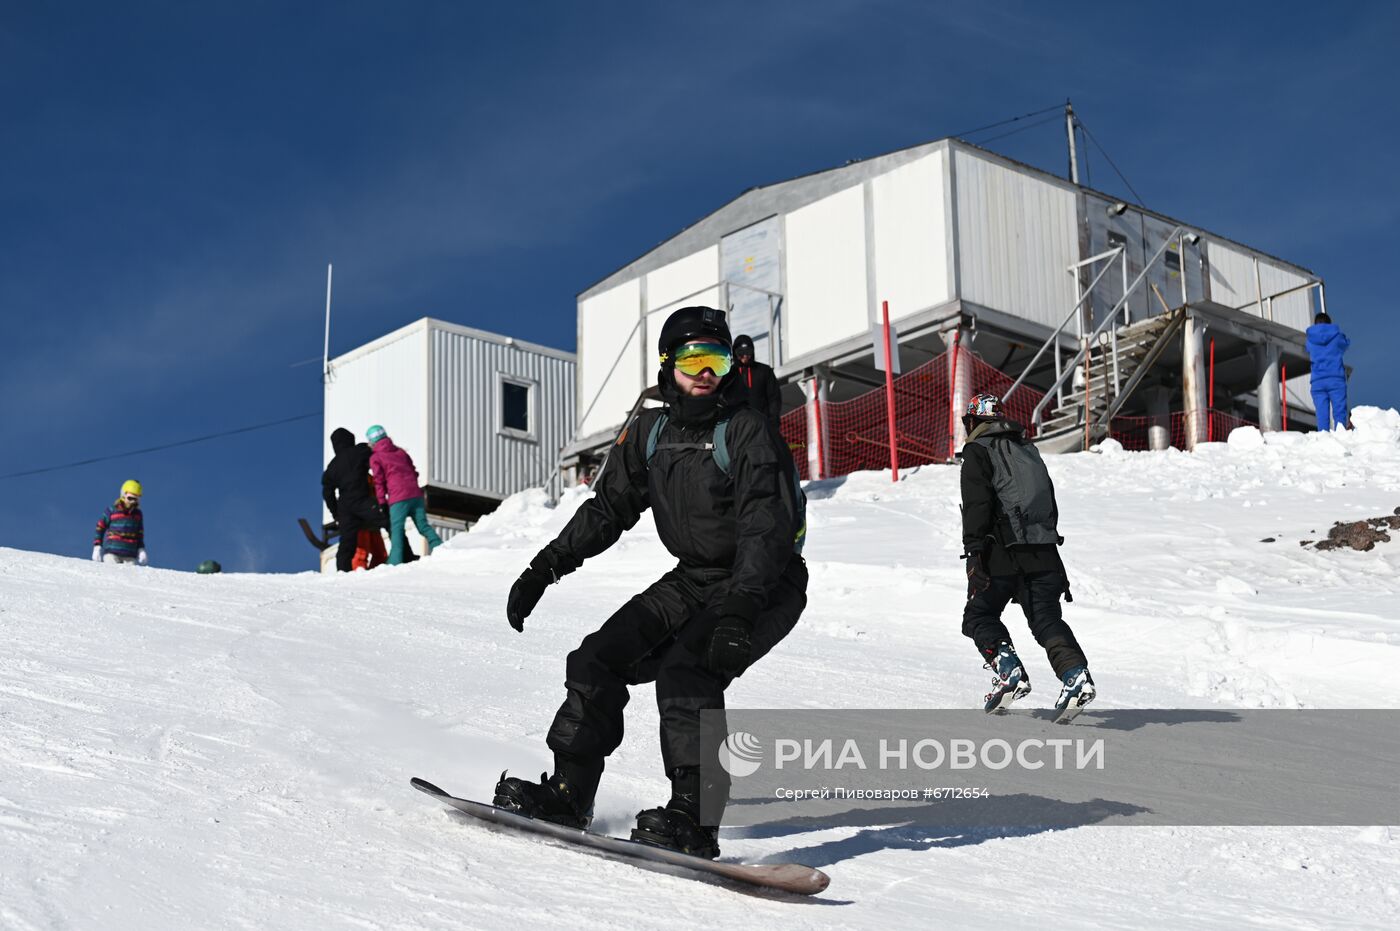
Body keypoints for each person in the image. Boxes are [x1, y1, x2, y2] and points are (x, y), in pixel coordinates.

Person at [494, 306, 808, 859]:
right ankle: (570, 793)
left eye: (714, 358)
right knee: (596, 658)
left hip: (765, 581)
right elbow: (608, 509)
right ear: (669, 364)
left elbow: (767, 524)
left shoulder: (746, 429)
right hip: (693, 579)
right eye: (693, 359)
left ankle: (696, 817)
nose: (705, 372)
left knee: (690, 671)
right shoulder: (652, 432)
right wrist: (545, 568)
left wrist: (740, 608)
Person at [957, 394, 1095, 721]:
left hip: (1000, 553)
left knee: (978, 616)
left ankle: (1009, 671)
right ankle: (1075, 676)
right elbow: (1049, 502)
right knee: (1046, 618)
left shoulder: (978, 451)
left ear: (974, 422)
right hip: (1044, 552)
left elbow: (977, 506)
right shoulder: (1027, 450)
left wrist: (974, 553)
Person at [367, 424, 442, 564]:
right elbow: (413, 471)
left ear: (372, 442)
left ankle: (395, 562)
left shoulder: (376, 457)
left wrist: (382, 502)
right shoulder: (401, 452)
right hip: (415, 494)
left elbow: (379, 481)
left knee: (397, 531)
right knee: (423, 526)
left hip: (398, 498)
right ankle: (439, 547)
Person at [322, 428, 387, 573]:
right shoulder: (360, 452)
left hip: (349, 512)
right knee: (378, 549)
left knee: (351, 547)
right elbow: (378, 457)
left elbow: (328, 493)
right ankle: (398, 557)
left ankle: (344, 572)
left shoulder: (332, 467)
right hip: (367, 507)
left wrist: (336, 514)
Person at [1305, 312, 1351, 431]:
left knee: (1322, 415)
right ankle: (1340, 437)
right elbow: (1346, 344)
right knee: (1339, 412)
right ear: (1329, 324)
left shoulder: (1310, 339)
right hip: (1335, 379)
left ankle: (1324, 438)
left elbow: (1307, 349)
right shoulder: (1337, 336)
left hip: (1318, 382)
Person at [731, 334, 782, 433]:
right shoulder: (729, 374)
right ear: (735, 353)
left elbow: (774, 397)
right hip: (738, 427)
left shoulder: (764, 371)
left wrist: (773, 421)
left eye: (748, 352)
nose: (745, 356)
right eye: (741, 353)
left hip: (763, 425)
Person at [92, 480, 147, 565]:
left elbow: (139, 534)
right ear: (123, 495)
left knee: (129, 577)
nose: (132, 502)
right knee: (112, 575)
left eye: (135, 499)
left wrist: (141, 549)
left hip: (130, 556)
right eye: (130, 498)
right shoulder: (111, 510)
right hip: (112, 553)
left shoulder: (137, 514)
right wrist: (97, 546)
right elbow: (100, 527)